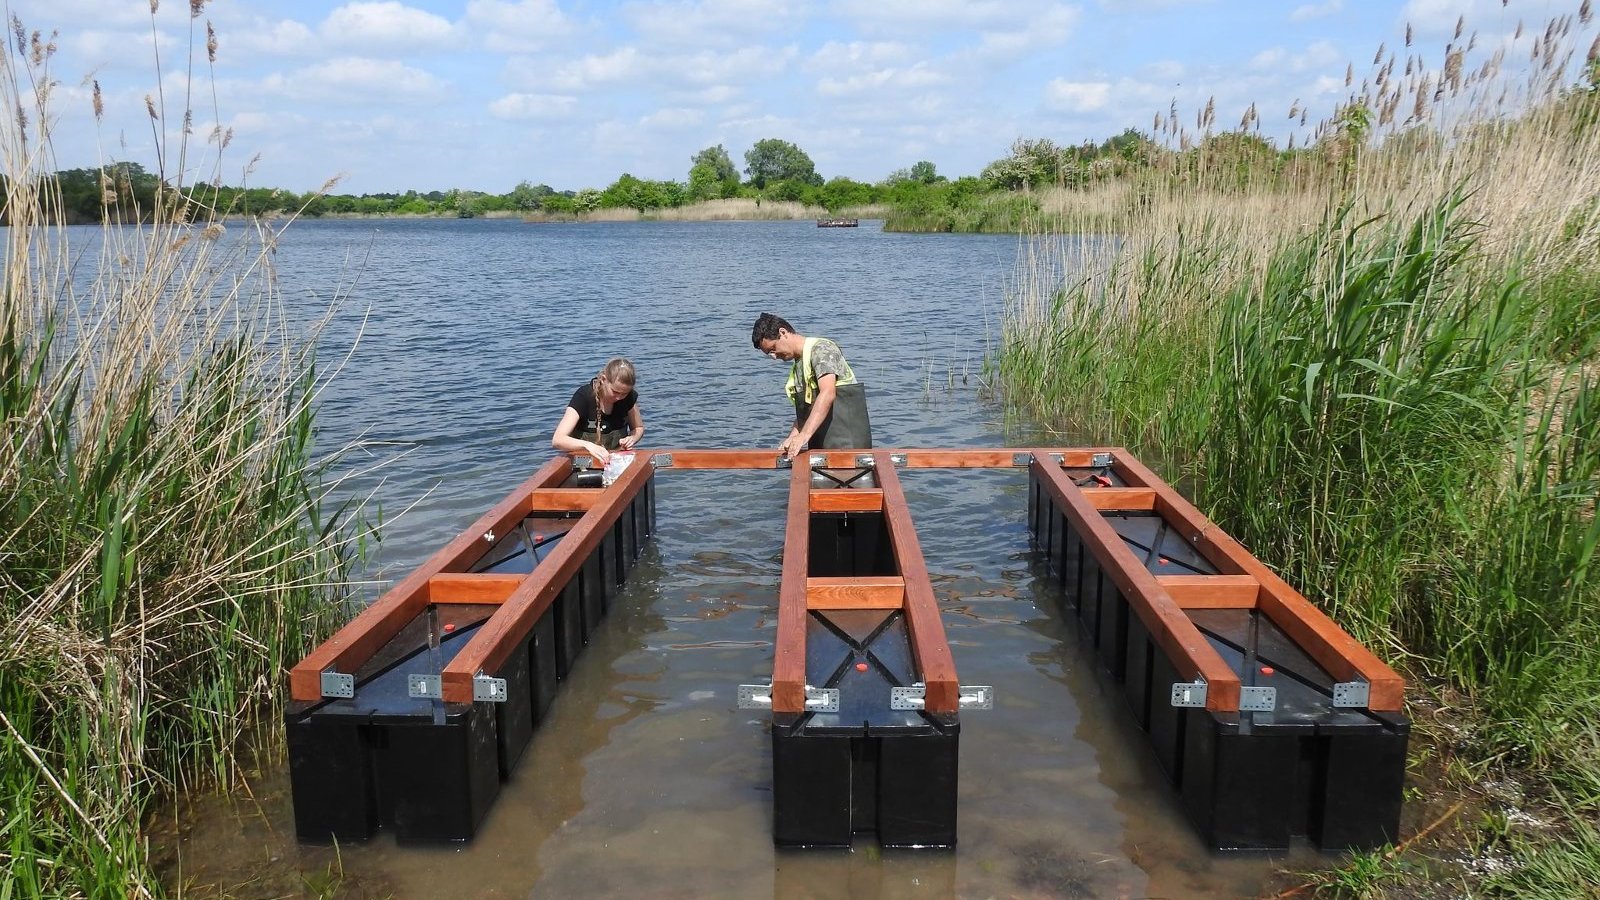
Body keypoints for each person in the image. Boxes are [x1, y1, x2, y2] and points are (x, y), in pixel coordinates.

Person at [750, 313, 871, 457]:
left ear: (783, 333)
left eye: (773, 348)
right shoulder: (798, 365)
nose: (774, 356)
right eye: (769, 354)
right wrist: (793, 437)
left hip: (849, 446)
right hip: (821, 449)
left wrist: (803, 436)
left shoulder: (822, 350)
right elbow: (807, 410)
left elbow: (827, 393)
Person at [551, 357, 644, 464]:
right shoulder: (583, 396)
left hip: (616, 461)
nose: (619, 397)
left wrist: (632, 438)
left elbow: (638, 427)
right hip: (584, 463)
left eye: (624, 393)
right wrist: (588, 446)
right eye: (615, 392)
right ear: (604, 379)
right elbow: (558, 440)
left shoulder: (629, 397)